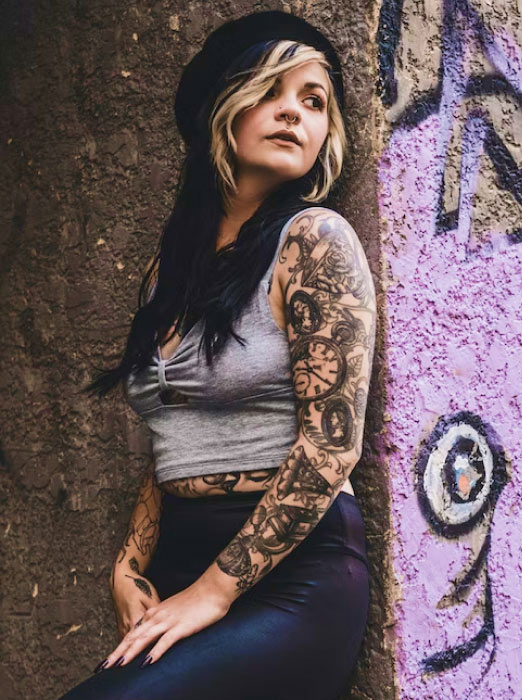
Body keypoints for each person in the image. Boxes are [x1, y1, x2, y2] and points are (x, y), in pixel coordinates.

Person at [59, 10, 375, 700]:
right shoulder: (166, 272)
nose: (293, 112)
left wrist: (213, 592)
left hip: (294, 574)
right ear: (220, 107)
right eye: (270, 91)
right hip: (181, 561)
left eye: (313, 101)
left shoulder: (313, 241)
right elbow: (172, 437)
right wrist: (128, 564)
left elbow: (332, 445)